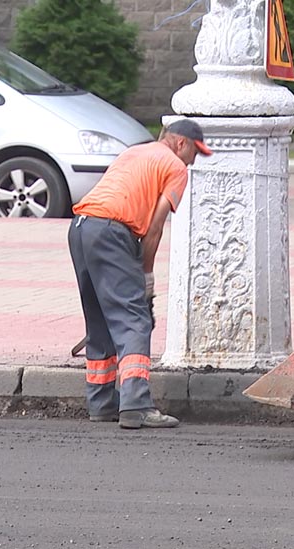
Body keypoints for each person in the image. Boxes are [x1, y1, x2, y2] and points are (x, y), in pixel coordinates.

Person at [68, 118, 212, 429]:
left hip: (81, 228)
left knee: (100, 319)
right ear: (181, 143)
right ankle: (136, 405)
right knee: (134, 318)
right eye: (195, 152)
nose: (194, 160)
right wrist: (146, 277)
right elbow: (156, 226)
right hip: (112, 232)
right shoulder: (175, 166)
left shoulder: (134, 152)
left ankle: (102, 402)